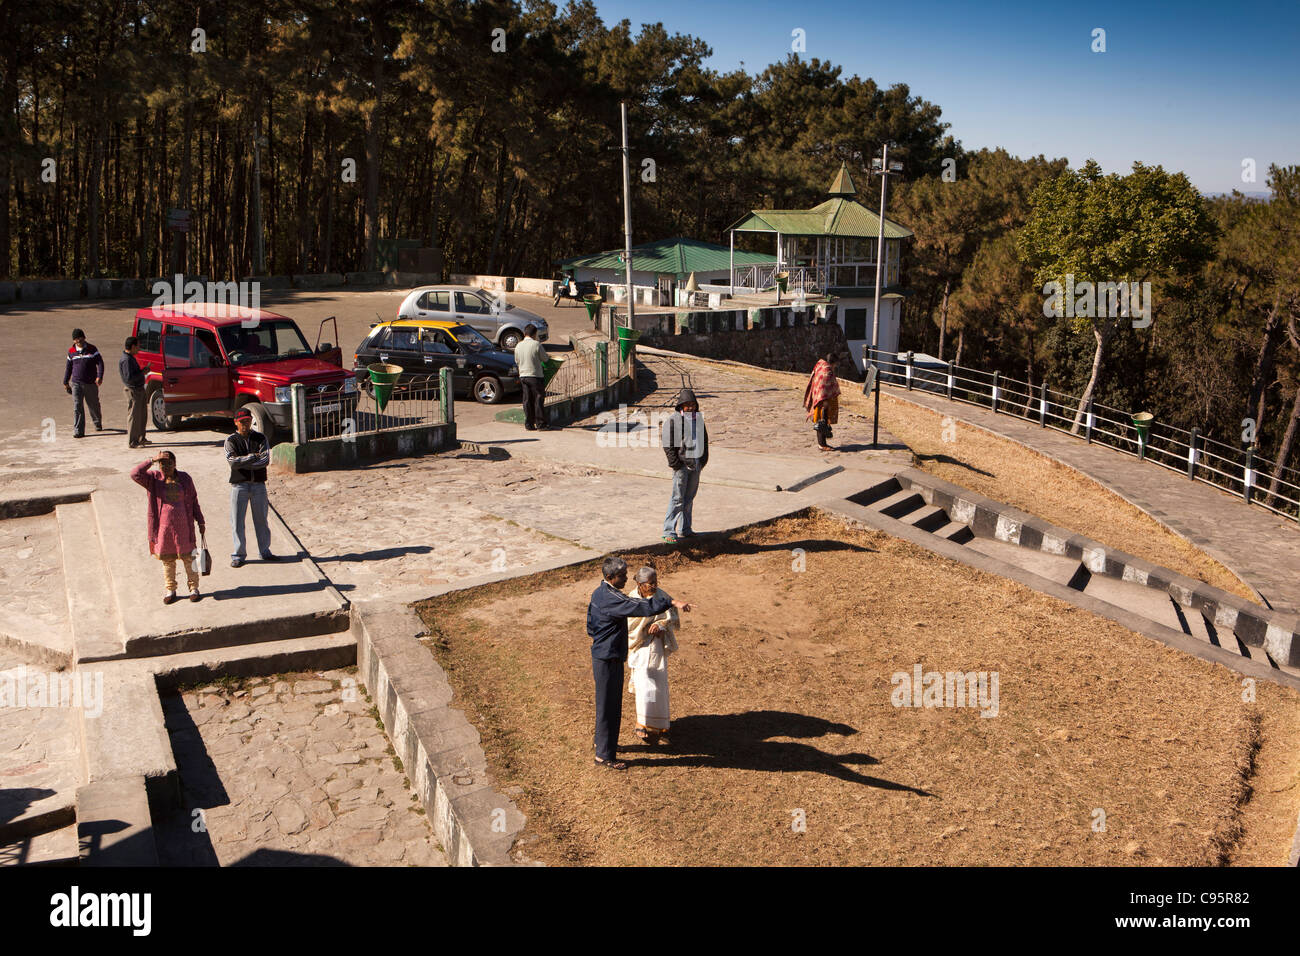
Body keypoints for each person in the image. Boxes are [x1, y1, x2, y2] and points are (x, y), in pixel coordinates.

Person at [586, 556, 691, 770]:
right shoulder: (611, 598)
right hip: (608, 657)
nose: (626, 578)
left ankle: (603, 743)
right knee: (609, 705)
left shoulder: (601, 593)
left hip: (604, 654)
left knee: (607, 704)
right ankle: (604, 755)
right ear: (609, 577)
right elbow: (639, 607)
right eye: (622, 576)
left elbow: (590, 625)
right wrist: (671, 602)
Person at [130, 451, 206, 604]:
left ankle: (194, 588)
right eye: (162, 464)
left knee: (189, 558)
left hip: (185, 527)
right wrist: (151, 460)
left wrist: (200, 521)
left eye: (168, 463)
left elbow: (194, 500)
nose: (165, 467)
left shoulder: (185, 478)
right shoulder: (153, 478)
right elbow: (135, 474)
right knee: (168, 561)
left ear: (175, 464)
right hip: (164, 529)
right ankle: (170, 590)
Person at [625, 566, 679, 745]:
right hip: (640, 647)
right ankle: (642, 722)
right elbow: (630, 624)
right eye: (651, 583)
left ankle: (662, 725)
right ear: (640, 584)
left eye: (656, 582)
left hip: (656, 647)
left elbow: (671, 615)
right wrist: (645, 629)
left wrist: (661, 625)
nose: (655, 586)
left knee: (659, 685)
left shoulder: (661, 594)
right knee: (644, 686)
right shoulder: (631, 600)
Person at [224, 407, 278, 567]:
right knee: (237, 521)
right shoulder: (230, 441)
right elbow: (232, 462)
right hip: (238, 486)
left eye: (247, 421)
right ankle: (239, 554)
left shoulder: (261, 438)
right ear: (236, 423)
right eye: (242, 422)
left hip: (258, 486)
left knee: (261, 520)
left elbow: (265, 460)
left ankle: (265, 551)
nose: (245, 424)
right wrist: (252, 458)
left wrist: (244, 462)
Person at [661, 387, 708, 543]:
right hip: (681, 466)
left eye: (692, 405)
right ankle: (669, 530)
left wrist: (702, 460)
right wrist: (675, 464)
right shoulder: (673, 421)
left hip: (695, 464)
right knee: (677, 498)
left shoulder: (698, 420)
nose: (690, 408)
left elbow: (704, 441)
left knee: (689, 498)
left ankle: (685, 529)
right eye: (687, 405)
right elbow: (668, 445)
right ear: (681, 406)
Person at [63, 328, 104, 438]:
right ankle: (78, 431)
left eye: (80, 338)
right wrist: (65, 382)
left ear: (84, 337)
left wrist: (99, 377)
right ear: (74, 340)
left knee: (93, 405)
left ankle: (97, 423)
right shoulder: (71, 352)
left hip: (91, 383)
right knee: (78, 407)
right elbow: (68, 368)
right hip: (76, 383)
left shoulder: (92, 349)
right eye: (76, 339)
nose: (78, 340)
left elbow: (100, 363)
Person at [803, 351, 842, 451]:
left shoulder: (821, 365)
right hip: (823, 401)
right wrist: (825, 402)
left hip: (818, 397)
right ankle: (822, 444)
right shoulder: (827, 372)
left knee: (821, 422)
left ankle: (822, 444)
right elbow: (824, 387)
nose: (835, 367)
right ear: (833, 363)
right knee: (822, 423)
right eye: (836, 364)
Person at [514, 323, 548, 431]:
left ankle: (529, 424)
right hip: (535, 375)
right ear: (534, 334)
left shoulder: (518, 345)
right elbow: (545, 359)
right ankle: (540, 424)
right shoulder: (536, 344)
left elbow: (517, 361)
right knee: (538, 399)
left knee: (527, 400)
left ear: (525, 333)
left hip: (523, 375)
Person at [120, 336, 151, 448]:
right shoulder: (126, 360)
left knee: (142, 415)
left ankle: (141, 438)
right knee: (134, 415)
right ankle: (132, 441)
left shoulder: (130, 357)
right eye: (137, 346)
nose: (139, 348)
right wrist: (142, 372)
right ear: (133, 347)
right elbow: (129, 378)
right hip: (133, 390)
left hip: (139, 389)